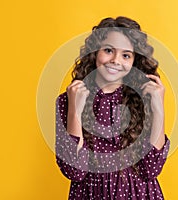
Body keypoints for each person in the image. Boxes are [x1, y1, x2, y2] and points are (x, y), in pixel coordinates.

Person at [55, 16, 170, 200]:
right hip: (90, 195)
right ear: (94, 52)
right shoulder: (69, 99)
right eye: (108, 50)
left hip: (139, 194)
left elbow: (151, 169)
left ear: (134, 61)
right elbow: (74, 171)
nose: (116, 60)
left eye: (126, 55)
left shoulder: (145, 98)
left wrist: (158, 109)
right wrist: (74, 110)